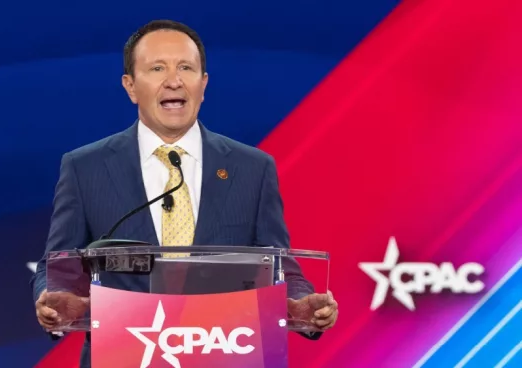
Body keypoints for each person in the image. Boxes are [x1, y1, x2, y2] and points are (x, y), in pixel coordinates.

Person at [31, 19, 339, 367]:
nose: (174, 80)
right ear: (131, 86)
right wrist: (56, 298)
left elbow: (282, 266)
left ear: (203, 84)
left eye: (186, 68)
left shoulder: (253, 168)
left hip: (225, 356)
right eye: (157, 68)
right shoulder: (85, 167)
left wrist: (299, 304)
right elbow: (57, 266)